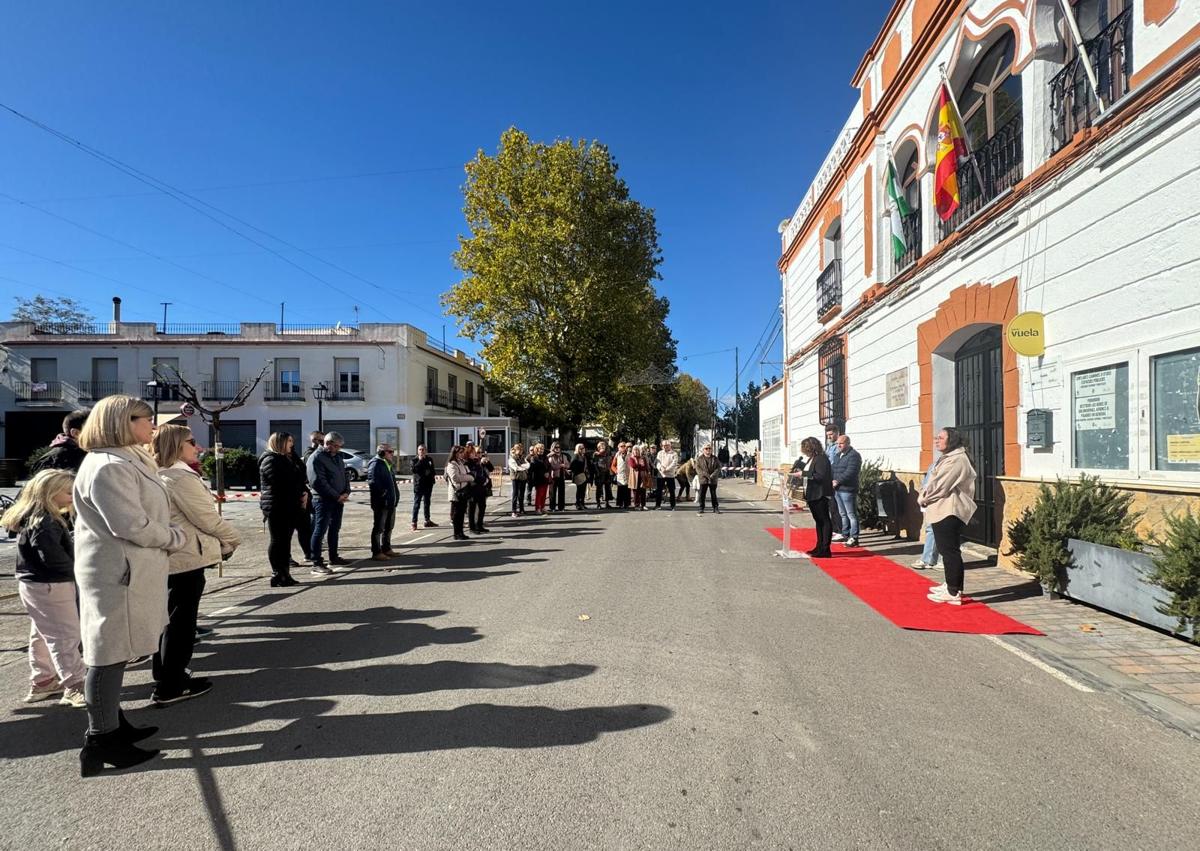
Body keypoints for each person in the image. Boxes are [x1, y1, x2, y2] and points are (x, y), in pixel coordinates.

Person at [73, 394, 186, 776]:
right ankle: (100, 738)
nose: (153, 425)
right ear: (123, 421)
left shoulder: (127, 459)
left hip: (130, 569)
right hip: (118, 573)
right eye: (146, 418)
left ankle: (113, 725)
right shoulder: (108, 466)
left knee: (116, 651)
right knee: (108, 654)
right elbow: (130, 524)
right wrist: (174, 537)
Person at [152, 424, 240, 706]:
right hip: (186, 555)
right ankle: (172, 683)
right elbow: (206, 518)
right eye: (191, 441)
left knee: (169, 618)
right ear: (177, 445)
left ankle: (166, 673)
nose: (197, 446)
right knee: (181, 621)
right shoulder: (179, 478)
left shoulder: (160, 475)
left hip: (174, 554)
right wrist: (233, 539)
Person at [2, 469, 86, 708]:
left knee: (42, 633)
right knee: (65, 635)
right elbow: (53, 558)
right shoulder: (46, 521)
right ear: (51, 493)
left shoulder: (34, 517)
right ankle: (75, 685)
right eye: (68, 491)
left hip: (35, 583)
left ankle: (43, 679)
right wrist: (77, 571)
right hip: (52, 584)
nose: (72, 495)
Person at [921, 428, 978, 605]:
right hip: (942, 508)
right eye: (936, 437)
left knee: (950, 551)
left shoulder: (957, 459)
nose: (937, 441)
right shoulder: (950, 457)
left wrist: (924, 498)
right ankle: (950, 584)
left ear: (951, 440)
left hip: (950, 510)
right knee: (947, 550)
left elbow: (940, 485)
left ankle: (953, 592)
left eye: (941, 438)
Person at [259, 432, 307, 586]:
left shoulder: (288, 458)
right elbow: (282, 482)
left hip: (290, 505)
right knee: (278, 541)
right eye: (289, 441)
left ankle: (285, 573)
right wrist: (298, 491)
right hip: (277, 507)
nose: (292, 444)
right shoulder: (271, 460)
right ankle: (277, 573)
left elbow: (300, 476)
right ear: (279, 443)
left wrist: (303, 492)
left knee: (285, 541)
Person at [307, 431, 351, 574]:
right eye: (337, 446)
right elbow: (318, 482)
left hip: (338, 500)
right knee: (320, 530)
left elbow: (344, 475)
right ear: (328, 444)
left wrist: (346, 491)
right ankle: (316, 562)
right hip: (323, 500)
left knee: (335, 529)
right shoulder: (316, 458)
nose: (338, 449)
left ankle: (334, 556)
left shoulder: (337, 456)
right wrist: (336, 496)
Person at [799, 436, 834, 557]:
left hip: (820, 493)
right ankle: (819, 546)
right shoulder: (812, 459)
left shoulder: (821, 459)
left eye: (805, 449)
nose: (804, 452)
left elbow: (820, 476)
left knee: (824, 520)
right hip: (812, 493)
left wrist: (803, 474)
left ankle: (825, 549)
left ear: (811, 448)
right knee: (818, 521)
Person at [367, 444, 399, 560]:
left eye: (393, 451)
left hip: (391, 501)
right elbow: (373, 482)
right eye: (390, 452)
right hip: (382, 503)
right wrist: (383, 494)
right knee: (379, 527)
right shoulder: (375, 463)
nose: (392, 454)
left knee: (389, 526)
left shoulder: (387, 463)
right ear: (382, 453)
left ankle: (387, 548)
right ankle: (376, 551)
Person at [831, 433, 863, 548]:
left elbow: (851, 472)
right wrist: (830, 480)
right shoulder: (837, 455)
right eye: (837, 443)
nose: (839, 445)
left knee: (851, 514)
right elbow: (833, 469)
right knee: (842, 514)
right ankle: (845, 534)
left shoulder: (854, 455)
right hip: (837, 490)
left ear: (848, 443)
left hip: (848, 490)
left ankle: (854, 538)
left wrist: (838, 481)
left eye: (841, 443)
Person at [912, 454, 941, 570]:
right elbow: (926, 483)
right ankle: (928, 559)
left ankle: (941, 561)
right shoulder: (935, 463)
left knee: (944, 532)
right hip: (930, 502)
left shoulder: (953, 462)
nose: (937, 442)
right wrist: (923, 495)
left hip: (943, 503)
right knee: (930, 529)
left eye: (941, 439)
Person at [445, 445, 474, 539]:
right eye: (460, 452)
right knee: (457, 514)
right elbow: (455, 478)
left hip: (464, 490)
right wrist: (469, 478)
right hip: (457, 491)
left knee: (461, 513)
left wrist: (469, 476)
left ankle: (461, 532)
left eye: (462, 452)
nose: (462, 454)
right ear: (455, 453)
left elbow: (468, 472)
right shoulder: (452, 464)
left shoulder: (461, 462)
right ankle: (456, 533)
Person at [410, 444, 437, 531]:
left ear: (426, 451)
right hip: (419, 485)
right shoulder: (414, 460)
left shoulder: (429, 459)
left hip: (428, 485)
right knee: (417, 504)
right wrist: (420, 461)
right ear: (417, 451)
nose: (421, 451)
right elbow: (413, 470)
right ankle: (414, 522)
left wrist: (432, 480)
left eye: (423, 449)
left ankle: (427, 520)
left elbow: (432, 470)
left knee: (427, 503)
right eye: (420, 450)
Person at [468, 446, 494, 533]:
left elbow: (491, 469)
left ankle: (480, 525)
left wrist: (487, 461)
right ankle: (472, 526)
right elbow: (473, 474)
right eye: (477, 452)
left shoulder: (482, 461)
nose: (479, 454)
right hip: (474, 487)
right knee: (473, 508)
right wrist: (478, 463)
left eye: (480, 452)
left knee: (482, 506)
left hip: (483, 487)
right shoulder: (471, 462)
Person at [694, 443, 722, 514]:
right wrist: (706, 475)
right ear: (703, 450)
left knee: (713, 494)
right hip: (703, 479)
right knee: (702, 494)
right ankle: (701, 508)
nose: (708, 450)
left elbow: (718, 468)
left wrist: (713, 475)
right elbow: (698, 469)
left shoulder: (715, 458)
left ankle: (715, 508)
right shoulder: (699, 459)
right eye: (706, 448)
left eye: (709, 448)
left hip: (713, 479)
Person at [655, 440, 679, 510]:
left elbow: (674, 463)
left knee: (672, 491)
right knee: (659, 491)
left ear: (670, 445)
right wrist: (661, 468)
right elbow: (658, 462)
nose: (665, 447)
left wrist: (667, 469)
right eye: (664, 445)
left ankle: (673, 505)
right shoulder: (659, 453)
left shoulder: (674, 453)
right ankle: (658, 505)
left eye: (667, 445)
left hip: (670, 475)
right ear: (662, 446)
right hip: (661, 474)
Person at [508, 443, 529, 517]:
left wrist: (523, 466)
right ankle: (514, 511)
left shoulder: (522, 457)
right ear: (515, 450)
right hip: (515, 478)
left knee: (522, 494)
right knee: (515, 494)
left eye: (521, 450)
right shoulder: (512, 458)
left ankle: (521, 509)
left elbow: (528, 465)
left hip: (523, 477)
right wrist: (523, 467)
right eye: (519, 450)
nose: (520, 451)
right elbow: (515, 468)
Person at [528, 443, 550, 514]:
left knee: (544, 494)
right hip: (538, 478)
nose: (541, 450)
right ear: (536, 449)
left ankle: (542, 507)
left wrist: (547, 472)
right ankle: (537, 508)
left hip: (546, 478)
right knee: (539, 494)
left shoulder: (545, 457)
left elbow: (549, 466)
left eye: (542, 449)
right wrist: (544, 473)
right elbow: (533, 469)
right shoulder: (534, 458)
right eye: (540, 449)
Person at [592, 440, 613, 508]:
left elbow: (611, 462)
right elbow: (594, 464)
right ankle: (598, 503)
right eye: (600, 446)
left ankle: (607, 503)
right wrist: (597, 472)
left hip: (607, 472)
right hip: (599, 473)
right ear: (598, 447)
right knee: (599, 489)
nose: (602, 447)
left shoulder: (608, 453)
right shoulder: (596, 455)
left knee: (608, 488)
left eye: (603, 445)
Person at [547, 442, 568, 512]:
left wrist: (565, 465)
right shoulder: (550, 456)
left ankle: (561, 507)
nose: (557, 448)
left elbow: (567, 464)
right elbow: (552, 466)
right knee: (552, 492)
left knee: (562, 492)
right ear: (553, 448)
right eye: (556, 447)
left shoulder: (563, 456)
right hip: (554, 476)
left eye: (558, 447)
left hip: (562, 475)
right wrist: (560, 465)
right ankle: (552, 507)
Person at [570, 443, 590, 510]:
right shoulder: (576, 456)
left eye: (583, 448)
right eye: (581, 448)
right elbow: (572, 465)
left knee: (583, 490)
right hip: (578, 475)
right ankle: (578, 504)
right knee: (579, 490)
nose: (583, 449)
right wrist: (578, 471)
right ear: (578, 449)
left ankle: (582, 503)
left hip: (584, 475)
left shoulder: (584, 456)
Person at [629, 445, 648, 510]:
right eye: (635, 450)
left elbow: (645, 467)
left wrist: (639, 466)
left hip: (642, 476)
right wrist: (640, 465)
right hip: (634, 477)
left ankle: (643, 505)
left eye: (637, 450)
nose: (636, 451)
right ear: (633, 451)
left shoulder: (643, 458)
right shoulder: (631, 458)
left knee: (643, 491)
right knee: (636, 492)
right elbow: (633, 465)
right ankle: (636, 505)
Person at [614, 442, 631, 509]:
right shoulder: (617, 455)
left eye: (624, 446)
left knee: (627, 490)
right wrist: (616, 471)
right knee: (620, 490)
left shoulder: (630, 454)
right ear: (619, 448)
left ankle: (627, 504)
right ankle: (620, 504)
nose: (623, 447)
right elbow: (613, 465)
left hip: (628, 474)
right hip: (620, 475)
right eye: (621, 446)